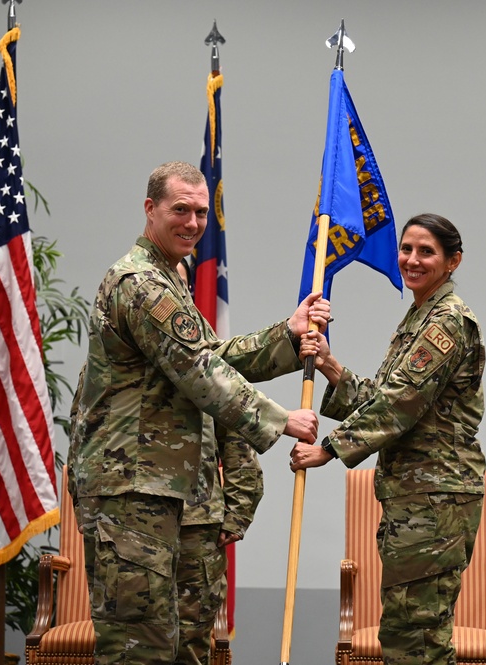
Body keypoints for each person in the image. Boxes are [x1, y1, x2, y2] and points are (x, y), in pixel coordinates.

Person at [67, 161, 329, 665]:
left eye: (202, 213)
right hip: (130, 493)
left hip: (165, 493)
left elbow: (213, 355)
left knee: (185, 648)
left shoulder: (170, 279)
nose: (192, 223)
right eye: (180, 210)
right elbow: (197, 369)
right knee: (138, 653)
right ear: (151, 209)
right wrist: (279, 421)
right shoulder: (140, 283)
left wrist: (288, 334)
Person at [291, 213, 486, 665]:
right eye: (407, 249)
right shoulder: (421, 315)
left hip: (434, 498)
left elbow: (400, 403)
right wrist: (328, 363)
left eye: (427, 252)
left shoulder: (447, 322)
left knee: (415, 641)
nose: (411, 260)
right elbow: (385, 395)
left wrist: (329, 448)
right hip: (415, 497)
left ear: (453, 261)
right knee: (407, 634)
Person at [173, 258, 263, 665]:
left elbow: (239, 437)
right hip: (131, 524)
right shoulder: (117, 352)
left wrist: (236, 515)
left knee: (191, 642)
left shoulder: (208, 360)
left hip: (197, 524)